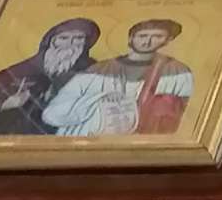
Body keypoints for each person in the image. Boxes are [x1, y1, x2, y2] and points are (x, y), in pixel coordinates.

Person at [42, 19, 192, 137]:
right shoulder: (97, 71)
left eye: (157, 37)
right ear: (131, 38)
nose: (147, 42)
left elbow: (187, 118)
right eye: (142, 36)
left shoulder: (178, 72)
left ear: (168, 40)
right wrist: (98, 99)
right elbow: (53, 114)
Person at [0, 19, 100, 137]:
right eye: (63, 38)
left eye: (79, 39)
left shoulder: (95, 71)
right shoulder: (14, 75)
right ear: (51, 42)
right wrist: (5, 105)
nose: (70, 45)